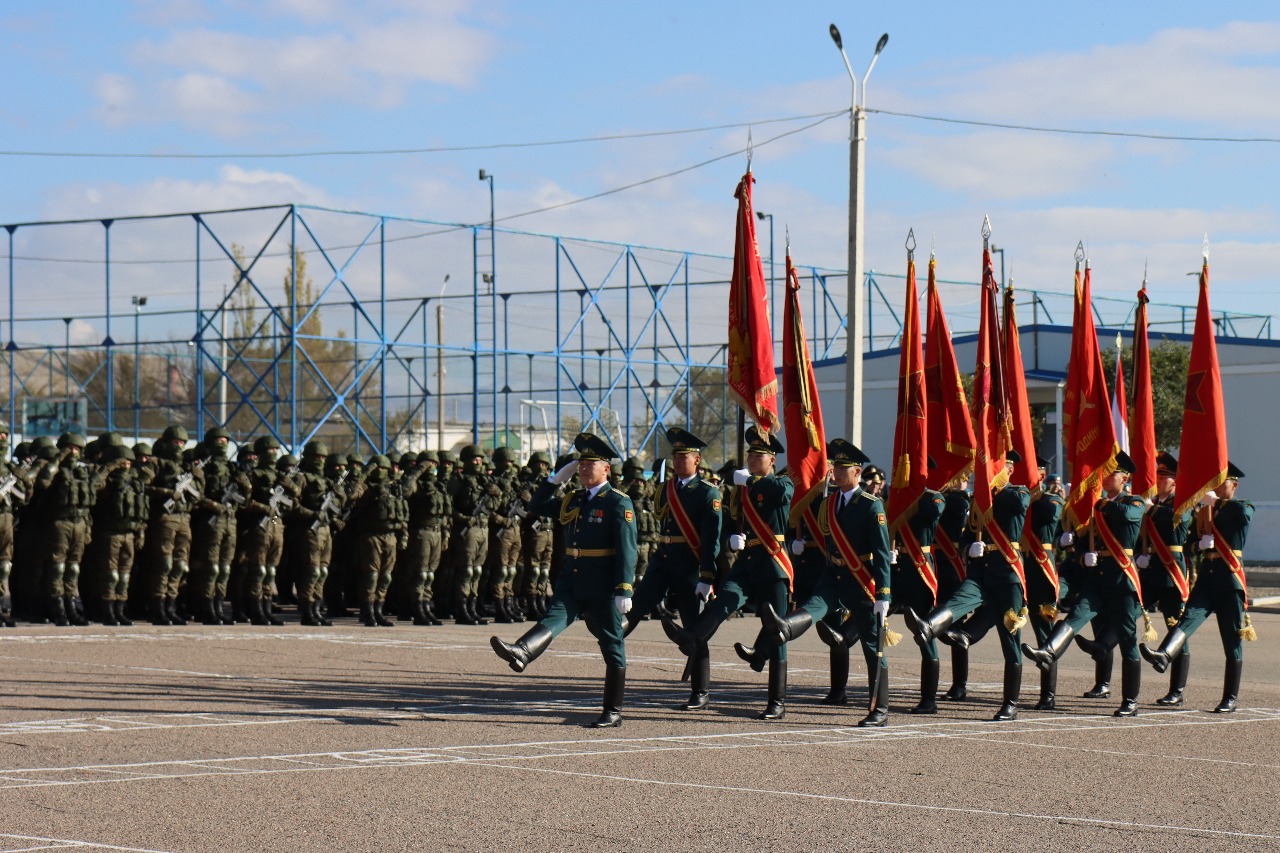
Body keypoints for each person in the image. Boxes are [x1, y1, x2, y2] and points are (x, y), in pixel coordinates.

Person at [491, 432, 638, 728]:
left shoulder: (618, 502)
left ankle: (613, 710)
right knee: (555, 616)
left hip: (602, 583)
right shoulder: (574, 498)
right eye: (580, 464)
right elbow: (537, 505)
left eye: (589, 464)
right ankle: (522, 651)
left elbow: (627, 548)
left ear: (606, 468)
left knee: (612, 644)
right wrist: (556, 479)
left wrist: (624, 587)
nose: (583, 469)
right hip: (573, 576)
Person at [755, 439, 894, 726]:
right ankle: (785, 628)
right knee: (814, 606)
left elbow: (881, 553)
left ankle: (879, 709)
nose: (836, 472)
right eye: (835, 467)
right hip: (834, 574)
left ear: (857, 472)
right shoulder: (829, 502)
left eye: (843, 468)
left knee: (872, 645)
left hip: (860, 579)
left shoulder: (872, 506)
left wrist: (883, 594)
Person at [662, 425, 794, 720]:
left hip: (774, 563)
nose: (752, 459)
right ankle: (691, 636)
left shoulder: (780, 482)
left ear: (772, 460)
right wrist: (735, 535)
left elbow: (783, 495)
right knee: (723, 600)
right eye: (750, 455)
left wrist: (753, 482)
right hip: (747, 561)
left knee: (776, 632)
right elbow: (733, 519)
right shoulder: (741, 489)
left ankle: (777, 701)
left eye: (758, 456)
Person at [905, 451, 1032, 721]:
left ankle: (1010, 703)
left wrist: (992, 486)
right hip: (981, 571)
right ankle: (929, 626)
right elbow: (967, 535)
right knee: (959, 600)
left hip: (1007, 574)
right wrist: (969, 547)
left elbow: (1021, 503)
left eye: (997, 467)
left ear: (1009, 470)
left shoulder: (1016, 493)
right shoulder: (978, 501)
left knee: (1010, 640)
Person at [1023, 452, 1147, 717]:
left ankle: (1130, 700)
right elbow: (1082, 544)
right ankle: (1049, 651)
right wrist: (1082, 555)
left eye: (1112, 473)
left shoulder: (1133, 502)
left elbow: (1127, 516)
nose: (1105, 477)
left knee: (1127, 639)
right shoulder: (1098, 506)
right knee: (1076, 615)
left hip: (1122, 578)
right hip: (1097, 577)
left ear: (1125, 479)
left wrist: (1099, 503)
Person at [620, 428, 722, 710]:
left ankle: (700, 690)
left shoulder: (707, 492)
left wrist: (707, 575)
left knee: (693, 626)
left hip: (689, 563)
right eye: (675, 456)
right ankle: (613, 637)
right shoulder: (666, 489)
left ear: (696, 460)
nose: (677, 461)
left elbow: (711, 538)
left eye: (683, 457)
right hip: (663, 559)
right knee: (637, 605)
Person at [1141, 461, 1253, 713]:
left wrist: (1218, 503)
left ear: (1234, 486)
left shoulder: (1243, 506)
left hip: (1229, 580)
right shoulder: (1205, 513)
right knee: (1187, 618)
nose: (1216, 486)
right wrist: (1199, 545)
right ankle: (1165, 654)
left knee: (1231, 639)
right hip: (1207, 579)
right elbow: (1189, 544)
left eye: (1222, 482)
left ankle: (1230, 697)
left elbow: (1243, 515)